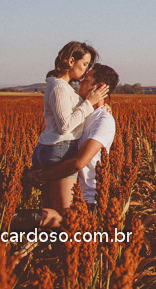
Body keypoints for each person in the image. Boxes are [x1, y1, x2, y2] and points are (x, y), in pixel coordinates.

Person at [26, 63, 119, 228]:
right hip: (67, 186)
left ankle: (8, 219)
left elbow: (78, 163)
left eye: (86, 79)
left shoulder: (103, 120)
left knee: (62, 221)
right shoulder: (83, 112)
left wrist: (43, 176)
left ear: (98, 87)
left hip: (87, 198)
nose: (80, 82)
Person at [32, 42, 109, 213]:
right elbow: (65, 126)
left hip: (52, 148)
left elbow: (76, 111)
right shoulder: (59, 87)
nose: (86, 70)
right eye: (85, 64)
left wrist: (99, 105)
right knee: (66, 216)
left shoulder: (64, 88)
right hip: (60, 150)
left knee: (51, 210)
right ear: (71, 61)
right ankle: (8, 218)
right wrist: (89, 103)